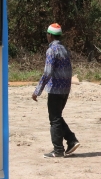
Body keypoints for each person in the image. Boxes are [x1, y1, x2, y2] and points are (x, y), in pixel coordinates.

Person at [32, 23, 79, 158]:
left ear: (50, 35)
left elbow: (47, 73)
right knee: (57, 117)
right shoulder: (64, 49)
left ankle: (58, 149)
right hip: (65, 89)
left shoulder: (51, 50)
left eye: (47, 34)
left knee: (54, 119)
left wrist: (37, 90)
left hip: (55, 89)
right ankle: (71, 140)